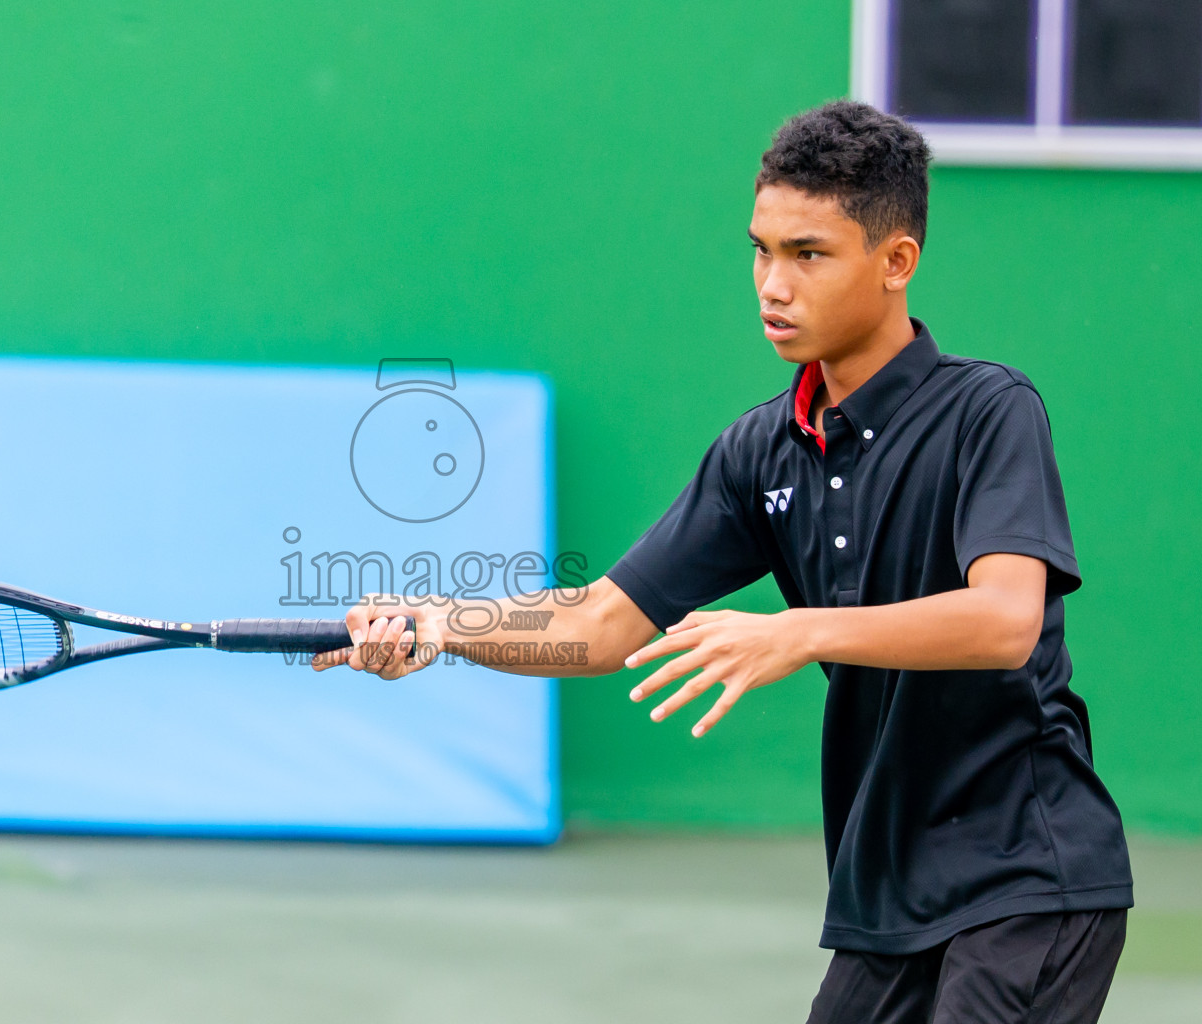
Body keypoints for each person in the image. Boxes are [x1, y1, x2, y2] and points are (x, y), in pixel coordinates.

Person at [313, 100, 1131, 1023]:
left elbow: (1005, 622)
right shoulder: (761, 454)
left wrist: (795, 634)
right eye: (760, 250)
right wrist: (437, 626)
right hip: (887, 894)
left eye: (808, 254)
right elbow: (595, 624)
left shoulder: (989, 413)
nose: (771, 285)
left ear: (897, 261)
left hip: (1031, 877)